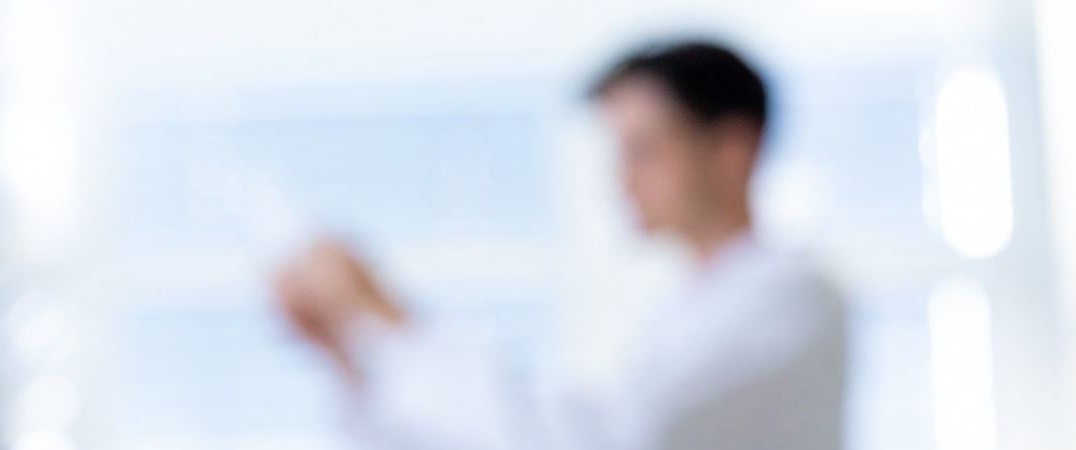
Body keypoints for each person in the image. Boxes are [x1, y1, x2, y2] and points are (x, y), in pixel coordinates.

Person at [274, 41, 849, 450]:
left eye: (644, 151)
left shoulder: (789, 301)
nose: (622, 180)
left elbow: (598, 439)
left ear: (733, 149)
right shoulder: (701, 303)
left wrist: (387, 320)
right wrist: (352, 353)